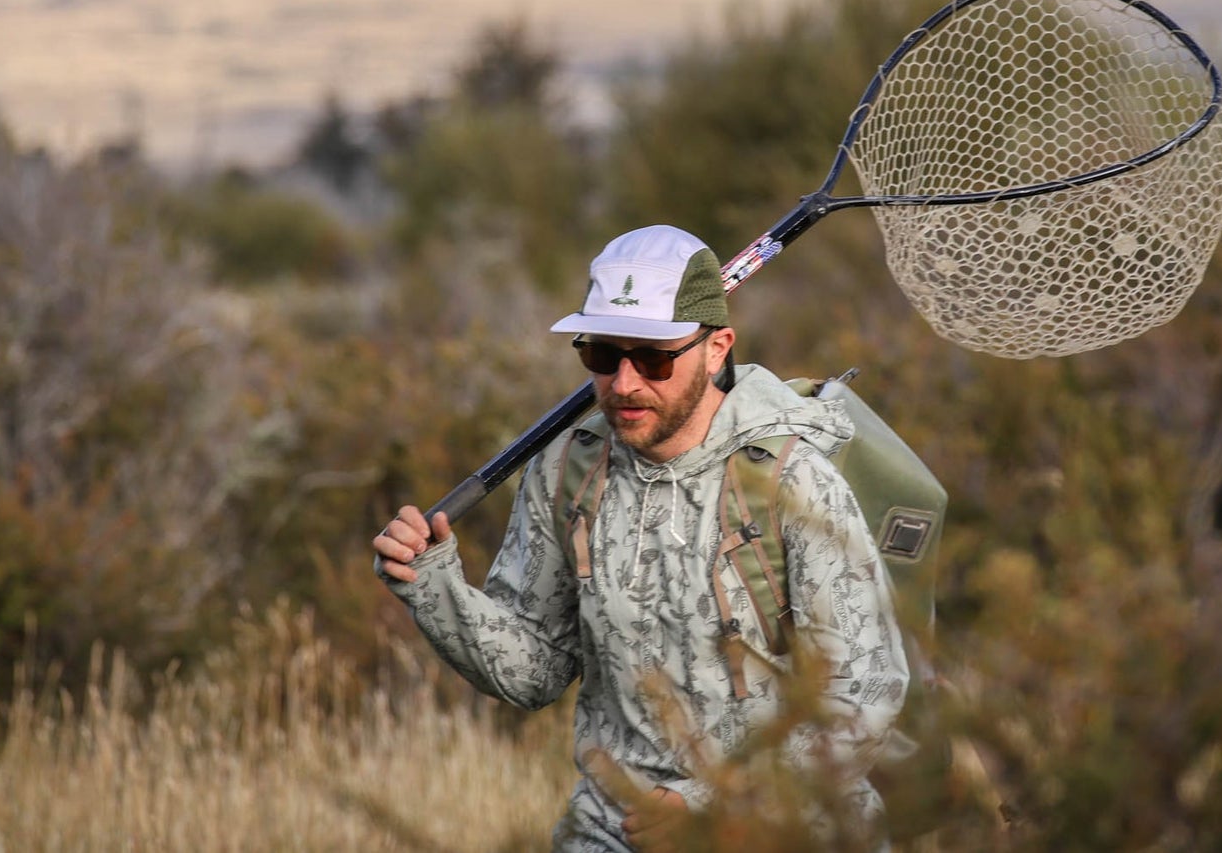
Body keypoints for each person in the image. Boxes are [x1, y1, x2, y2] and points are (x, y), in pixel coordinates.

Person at [373, 224, 909, 852]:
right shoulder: (565, 470)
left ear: (717, 350)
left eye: (653, 358)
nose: (624, 383)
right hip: (612, 831)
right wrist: (434, 587)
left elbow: (863, 696)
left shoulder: (794, 479)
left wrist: (709, 804)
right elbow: (534, 672)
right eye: (602, 355)